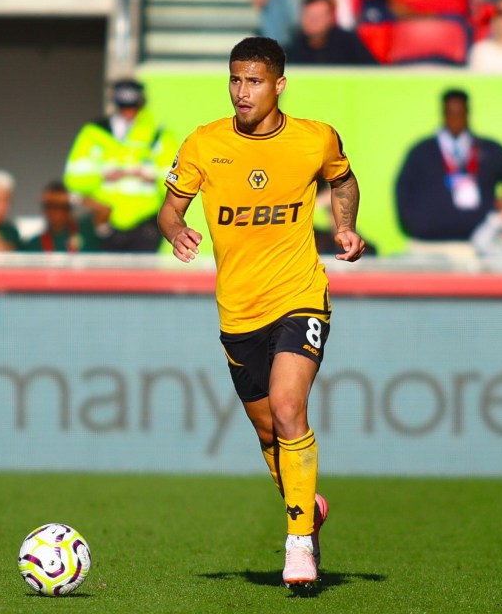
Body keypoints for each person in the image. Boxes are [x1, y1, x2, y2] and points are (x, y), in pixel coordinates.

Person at [157, 36, 364, 587]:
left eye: (253, 81)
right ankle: (306, 507)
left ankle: (299, 543)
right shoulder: (204, 144)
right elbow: (170, 208)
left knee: (289, 404)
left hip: (299, 294)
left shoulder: (313, 138)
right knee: (269, 430)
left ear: (278, 84)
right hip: (238, 310)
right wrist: (178, 232)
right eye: (234, 79)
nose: (241, 92)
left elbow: (342, 178)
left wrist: (343, 225)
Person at [395, 88, 502, 244]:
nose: (455, 118)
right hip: (431, 242)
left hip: (481, 241)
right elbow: (403, 189)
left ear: (467, 113)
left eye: (460, 112)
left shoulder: (489, 149)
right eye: (451, 112)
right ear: (443, 114)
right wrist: (416, 224)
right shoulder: (422, 151)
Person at [64, 79, 179, 253]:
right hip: (105, 219)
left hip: (146, 223)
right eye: (123, 107)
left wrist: (150, 175)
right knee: (105, 278)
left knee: (142, 279)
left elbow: (176, 181)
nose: (128, 113)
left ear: (142, 103)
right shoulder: (94, 132)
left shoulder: (158, 134)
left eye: (133, 107)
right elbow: (74, 178)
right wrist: (104, 174)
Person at [287, 0, 379, 64]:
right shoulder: (292, 48)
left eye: (318, 16)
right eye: (308, 16)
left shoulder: (349, 43)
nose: (313, 21)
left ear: (330, 18)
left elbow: (373, 72)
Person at [22, 181, 103, 253]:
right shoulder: (35, 243)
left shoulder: (85, 228)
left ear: (69, 209)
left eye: (60, 206)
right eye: (49, 206)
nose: (54, 211)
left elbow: (105, 211)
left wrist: (73, 198)